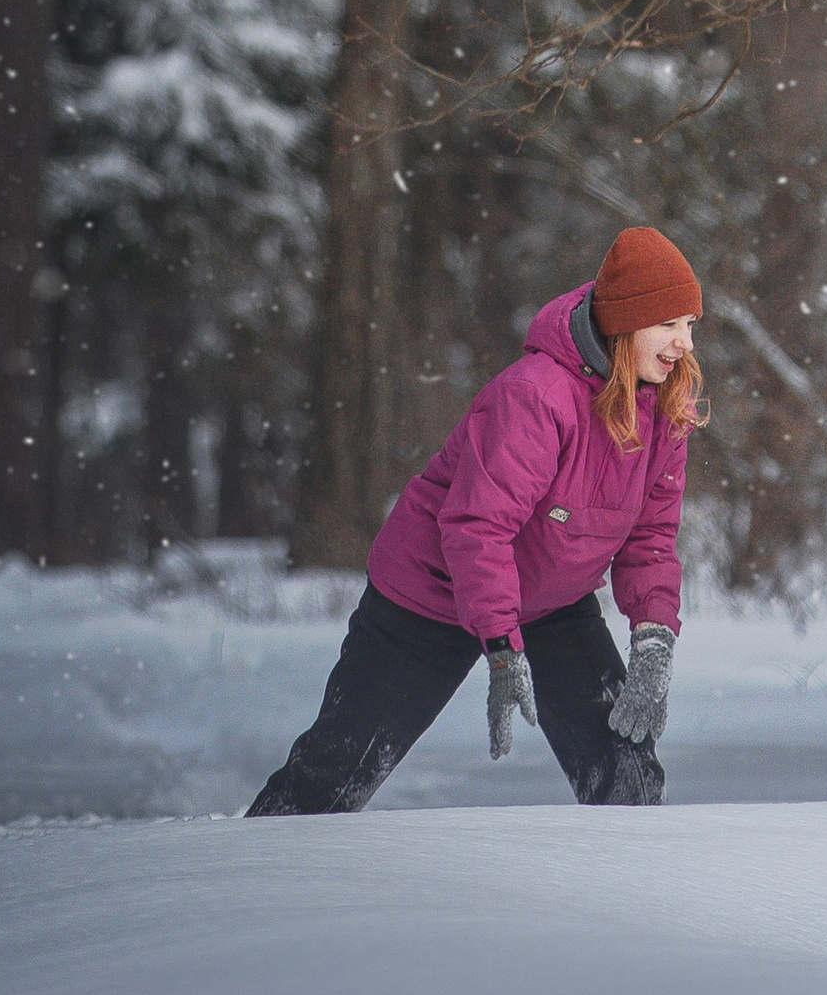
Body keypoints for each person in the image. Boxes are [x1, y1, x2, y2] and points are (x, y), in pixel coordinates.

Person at [250, 225, 704, 814]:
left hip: (554, 603)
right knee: (331, 779)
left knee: (629, 780)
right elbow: (478, 527)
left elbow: (650, 538)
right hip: (428, 596)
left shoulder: (668, 408)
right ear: (623, 323)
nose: (683, 344)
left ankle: (632, 901)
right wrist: (500, 646)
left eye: (690, 325)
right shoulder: (534, 397)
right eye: (668, 325)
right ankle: (243, 876)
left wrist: (653, 640)